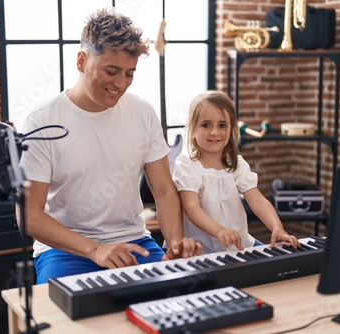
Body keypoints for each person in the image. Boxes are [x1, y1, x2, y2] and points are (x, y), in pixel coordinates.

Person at [19, 8, 202, 284]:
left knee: (185, 297)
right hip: (66, 251)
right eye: (111, 71)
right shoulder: (41, 121)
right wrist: (95, 250)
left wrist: (174, 245)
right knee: (65, 322)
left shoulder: (142, 112)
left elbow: (164, 190)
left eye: (129, 73)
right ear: (81, 61)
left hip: (134, 243)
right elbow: (28, 216)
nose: (121, 84)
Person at [173, 90, 299, 254]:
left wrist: (277, 227)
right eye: (206, 125)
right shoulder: (187, 165)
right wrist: (220, 231)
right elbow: (192, 208)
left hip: (239, 246)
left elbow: (257, 201)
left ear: (231, 128)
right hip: (203, 249)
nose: (214, 132)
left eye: (222, 125)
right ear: (192, 129)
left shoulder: (236, 164)